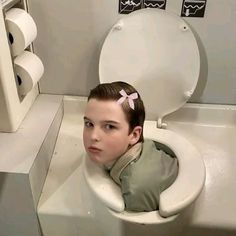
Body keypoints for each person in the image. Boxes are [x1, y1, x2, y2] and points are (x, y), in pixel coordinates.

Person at [83, 81, 178, 212]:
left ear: (134, 135)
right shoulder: (137, 149)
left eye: (109, 126)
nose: (93, 136)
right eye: (89, 124)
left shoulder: (135, 190)